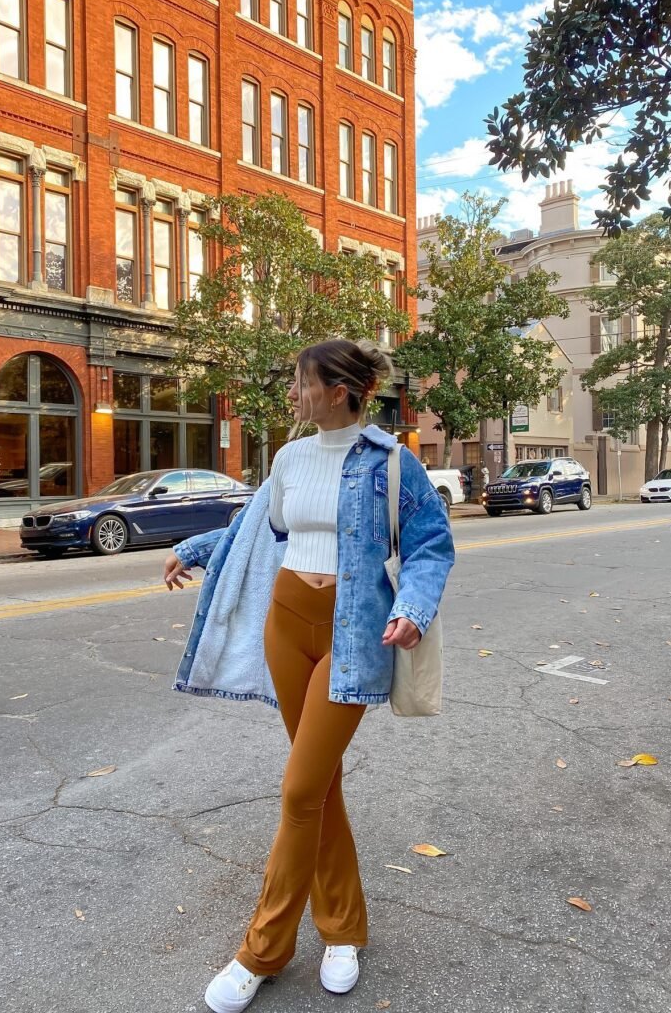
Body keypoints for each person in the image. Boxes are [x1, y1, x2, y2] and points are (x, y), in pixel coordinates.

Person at [163, 339, 455, 1013]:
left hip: (352, 634)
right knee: (319, 785)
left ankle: (261, 951)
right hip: (287, 624)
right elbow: (252, 529)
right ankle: (343, 929)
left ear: (339, 391)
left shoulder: (391, 462)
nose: (292, 394)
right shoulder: (290, 458)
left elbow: (431, 544)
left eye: (301, 382)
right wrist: (194, 548)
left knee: (299, 790)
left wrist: (412, 608)